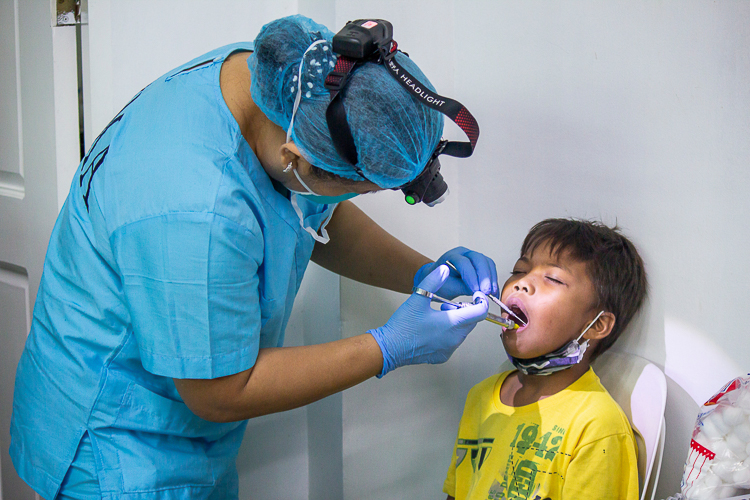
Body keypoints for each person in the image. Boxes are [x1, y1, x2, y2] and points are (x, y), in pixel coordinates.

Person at [10, 15, 498, 500]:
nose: (356, 198)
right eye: (362, 187)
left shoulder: (288, 77)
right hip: (117, 443)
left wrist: (422, 272)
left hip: (170, 412)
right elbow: (219, 391)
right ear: (298, 158)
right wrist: (389, 346)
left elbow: (316, 209)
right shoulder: (195, 209)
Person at [443, 218, 648, 500]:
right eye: (518, 271)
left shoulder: (597, 426)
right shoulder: (481, 397)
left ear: (597, 325)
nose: (521, 283)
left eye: (552, 278)